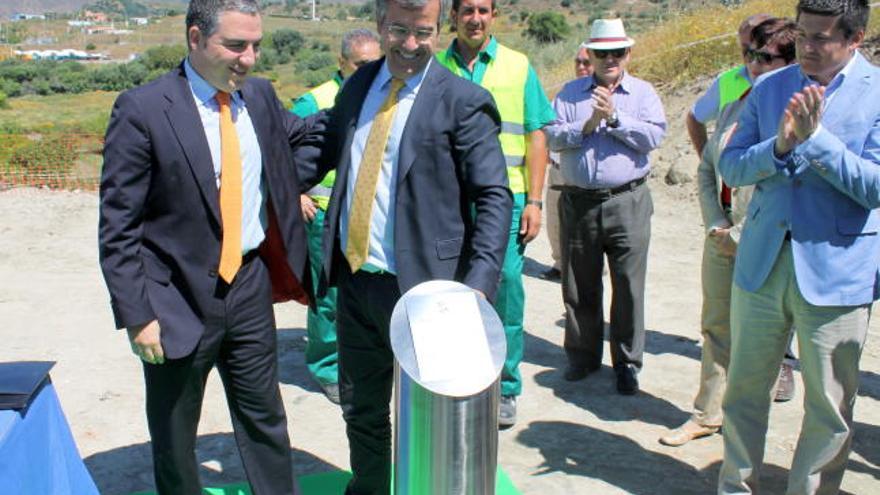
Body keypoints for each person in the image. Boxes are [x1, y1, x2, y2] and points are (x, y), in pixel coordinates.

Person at [98, 0, 319, 493]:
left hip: (248, 285)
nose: (250, 59)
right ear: (195, 39)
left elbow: (302, 139)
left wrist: (285, 183)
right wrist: (138, 314)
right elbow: (118, 225)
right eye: (236, 45)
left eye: (256, 46)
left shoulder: (258, 97)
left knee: (265, 418)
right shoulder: (144, 109)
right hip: (174, 297)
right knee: (175, 432)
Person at [308, 0, 512, 492]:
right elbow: (326, 148)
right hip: (358, 283)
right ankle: (372, 486)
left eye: (424, 32)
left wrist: (479, 285)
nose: (411, 44)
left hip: (433, 294)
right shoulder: (359, 85)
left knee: (441, 421)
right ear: (380, 25)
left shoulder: (463, 99)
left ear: (438, 31)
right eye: (399, 30)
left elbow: (494, 196)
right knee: (362, 408)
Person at [717, 1, 880, 493]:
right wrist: (780, 148)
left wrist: (816, 142)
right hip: (763, 264)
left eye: (821, 38)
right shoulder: (770, 87)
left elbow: (875, 187)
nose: (806, 48)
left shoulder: (878, 94)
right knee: (744, 391)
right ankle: (735, 486)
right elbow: (733, 166)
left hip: (838, 272)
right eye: (802, 35)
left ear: (855, 39)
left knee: (829, 408)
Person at [659, 17, 801, 448]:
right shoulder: (737, 102)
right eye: (750, 55)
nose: (753, 65)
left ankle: (745, 432)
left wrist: (741, 232)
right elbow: (708, 169)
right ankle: (708, 414)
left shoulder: (800, 115)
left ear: (792, 64)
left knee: (760, 342)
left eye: (764, 57)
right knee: (716, 328)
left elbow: (791, 189)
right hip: (720, 237)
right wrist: (716, 222)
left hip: (766, 243)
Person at [435, 0, 555, 427]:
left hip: (507, 200)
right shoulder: (435, 66)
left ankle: (505, 386)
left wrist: (536, 202)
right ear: (453, 16)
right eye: (467, 9)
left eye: (484, 10)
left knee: (503, 288)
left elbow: (537, 135)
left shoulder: (519, 66)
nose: (476, 18)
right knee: (448, 291)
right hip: (449, 202)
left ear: (494, 16)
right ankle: (456, 380)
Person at [545, 18, 666, 395]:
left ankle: (627, 363)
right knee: (579, 284)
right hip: (579, 201)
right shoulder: (568, 94)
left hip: (627, 200)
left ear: (628, 54)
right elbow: (552, 134)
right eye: (602, 52)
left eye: (617, 52)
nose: (610, 58)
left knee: (628, 286)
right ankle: (582, 357)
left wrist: (614, 118)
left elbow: (654, 136)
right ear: (590, 55)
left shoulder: (643, 93)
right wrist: (588, 123)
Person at [290, 28, 381, 405]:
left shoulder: (383, 95)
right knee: (327, 293)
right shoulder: (315, 101)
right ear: (341, 63)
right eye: (361, 63)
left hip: (366, 216)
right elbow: (281, 155)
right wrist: (295, 194)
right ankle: (327, 366)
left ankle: (358, 360)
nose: (370, 69)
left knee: (362, 293)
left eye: (375, 63)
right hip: (324, 216)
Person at [685, 13, 771, 157]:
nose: (751, 54)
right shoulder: (727, 81)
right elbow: (694, 118)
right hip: (739, 174)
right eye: (745, 47)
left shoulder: (794, 74)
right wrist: (708, 162)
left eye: (757, 45)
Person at [542, 44, 593, 283]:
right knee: (554, 220)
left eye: (587, 62)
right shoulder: (565, 94)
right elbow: (549, 129)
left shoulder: (604, 94)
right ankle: (560, 263)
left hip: (582, 173)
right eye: (578, 62)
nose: (581, 67)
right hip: (557, 167)